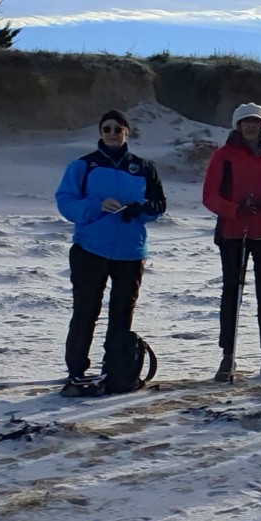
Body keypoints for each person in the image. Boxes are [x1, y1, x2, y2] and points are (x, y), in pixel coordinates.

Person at [54, 109, 167, 396]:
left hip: (130, 252)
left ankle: (116, 371)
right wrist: (96, 206)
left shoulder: (144, 167)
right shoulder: (83, 166)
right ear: (100, 133)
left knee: (122, 314)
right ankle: (76, 371)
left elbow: (159, 204)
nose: (113, 133)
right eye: (107, 129)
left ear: (127, 132)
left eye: (118, 129)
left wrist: (140, 209)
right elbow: (66, 202)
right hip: (90, 249)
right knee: (85, 311)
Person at [200, 102, 261, 382]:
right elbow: (209, 195)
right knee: (232, 293)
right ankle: (227, 357)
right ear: (238, 125)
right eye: (246, 121)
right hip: (234, 232)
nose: (251, 126)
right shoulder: (223, 156)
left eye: (256, 122)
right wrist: (235, 210)